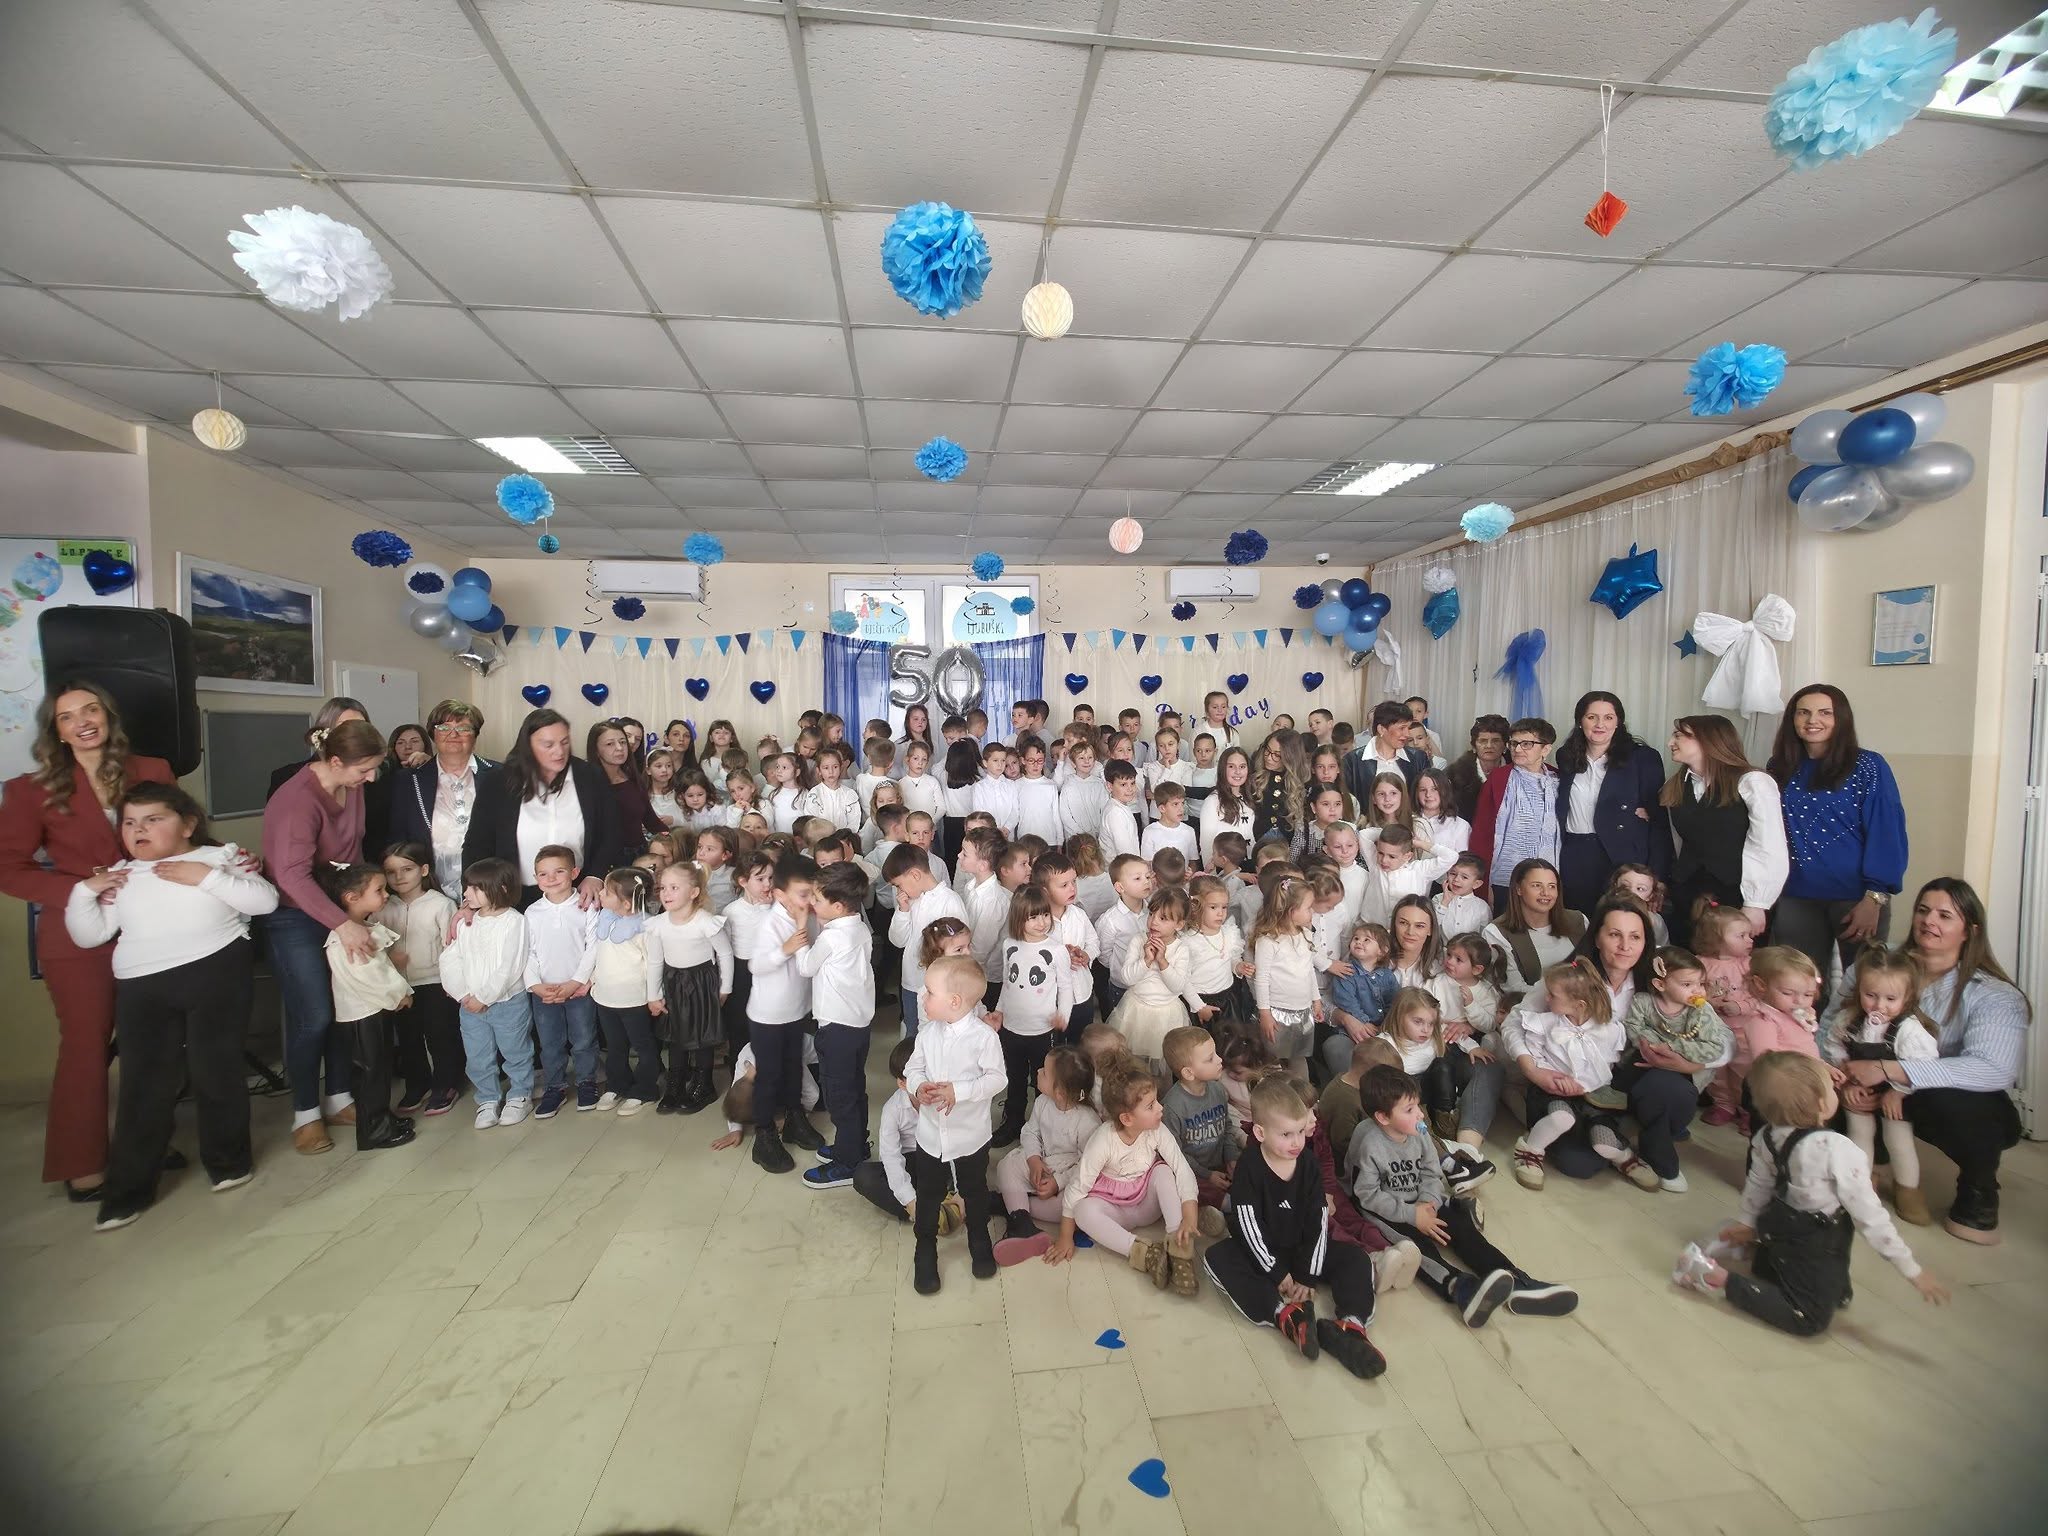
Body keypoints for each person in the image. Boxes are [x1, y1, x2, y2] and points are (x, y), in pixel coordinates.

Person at [64, 783, 275, 1230]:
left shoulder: (220, 858)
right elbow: (89, 935)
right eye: (129, 822)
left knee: (215, 1069)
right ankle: (127, 1192)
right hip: (142, 985)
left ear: (187, 824)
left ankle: (229, 1162)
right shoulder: (122, 875)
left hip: (216, 971)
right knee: (143, 1085)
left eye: (153, 819)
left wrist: (206, 876)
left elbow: (264, 901)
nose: (138, 830)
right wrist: (84, 892)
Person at [0, 680, 175, 1197]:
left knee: (152, 1041)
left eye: (91, 710)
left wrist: (225, 862)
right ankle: (81, 1163)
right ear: (56, 731)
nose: (82, 722)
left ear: (108, 715)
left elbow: (184, 835)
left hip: (152, 923)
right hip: (78, 936)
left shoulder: (153, 770)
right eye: (67, 716)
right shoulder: (30, 789)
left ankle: (146, 1142)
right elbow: (8, 867)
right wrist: (79, 890)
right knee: (86, 1046)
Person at [1674, 1052, 1948, 1335]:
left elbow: (1759, 1183)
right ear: (1821, 1103)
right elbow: (1871, 1217)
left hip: (1780, 1226)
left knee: (1833, 1289)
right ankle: (1718, 1278)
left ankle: (1758, 1255)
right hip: (1813, 1241)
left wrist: (1748, 1222)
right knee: (1808, 1319)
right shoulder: (1838, 1150)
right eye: (1830, 1086)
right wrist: (1911, 1269)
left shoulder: (1766, 1136)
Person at [1831, 878, 2029, 1244]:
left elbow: (1993, 1068)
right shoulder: (1878, 962)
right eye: (1923, 910)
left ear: (1970, 931)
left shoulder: (1994, 994)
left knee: (1964, 1104)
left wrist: (1891, 1071)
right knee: (1793, 1076)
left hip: (1932, 1097)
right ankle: (1848, 1168)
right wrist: (1842, 1075)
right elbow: (1832, 1021)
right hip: (1858, 1076)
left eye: (1944, 915)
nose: (1929, 921)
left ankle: (1979, 1187)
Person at [1349, 1064, 1578, 1324]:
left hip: (1420, 1200)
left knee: (1462, 1229)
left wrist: (1429, 1203)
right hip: (1384, 1209)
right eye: (1409, 1110)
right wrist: (1412, 1215)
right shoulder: (1369, 1143)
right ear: (1383, 1117)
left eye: (1418, 1105)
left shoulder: (1418, 1131)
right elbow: (1366, 1195)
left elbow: (1431, 1171)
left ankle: (1514, 1279)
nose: (1420, 1114)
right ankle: (1462, 1289)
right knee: (1417, 1248)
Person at [261, 718, 390, 1155]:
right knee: (313, 1015)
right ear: (335, 762)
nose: (370, 778)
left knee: (343, 1006)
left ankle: (338, 1097)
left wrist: (358, 908)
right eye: (364, 769)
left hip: (337, 910)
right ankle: (305, 1114)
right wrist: (342, 922)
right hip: (294, 916)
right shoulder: (295, 800)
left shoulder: (352, 787)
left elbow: (351, 854)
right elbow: (291, 876)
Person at [1204, 1072, 1386, 1378]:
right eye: (1286, 1134)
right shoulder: (1249, 1166)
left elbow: (1318, 1220)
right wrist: (1276, 1272)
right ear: (1260, 1132)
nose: (1297, 1142)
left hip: (1303, 1249)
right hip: (1264, 1251)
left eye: (1301, 1132)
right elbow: (1248, 1226)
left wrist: (1306, 1276)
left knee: (1356, 1258)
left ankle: (1350, 1326)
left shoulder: (1308, 1164)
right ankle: (1286, 1315)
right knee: (1217, 1257)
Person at [1766, 685, 1909, 979]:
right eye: (1803, 712)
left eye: (1824, 713)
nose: (1812, 720)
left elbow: (1886, 831)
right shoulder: (1780, 766)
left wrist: (1875, 898)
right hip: (1796, 895)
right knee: (1797, 986)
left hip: (1856, 897)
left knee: (1864, 985)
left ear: (1840, 718)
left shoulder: (1868, 765)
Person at [1052, 1054, 1202, 1295]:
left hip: (1147, 1204)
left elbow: (1181, 1168)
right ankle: (1145, 1254)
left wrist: (1189, 1213)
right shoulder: (1103, 1140)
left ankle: (1179, 1248)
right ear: (1127, 1118)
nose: (1160, 1108)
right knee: (1083, 1211)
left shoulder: (1157, 1130)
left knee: (1164, 1171)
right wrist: (1065, 1236)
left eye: (1156, 1101)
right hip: (1115, 1210)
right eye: (1151, 1106)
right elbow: (1078, 1187)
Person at [904, 953, 1005, 1294]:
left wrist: (958, 1091)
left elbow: (997, 1079)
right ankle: (925, 1247)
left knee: (974, 1189)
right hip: (931, 1135)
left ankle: (978, 1236)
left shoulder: (984, 1038)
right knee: (928, 1193)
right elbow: (913, 1068)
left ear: (954, 1001)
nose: (923, 996)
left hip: (970, 1136)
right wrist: (919, 1085)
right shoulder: (927, 1034)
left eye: (930, 992)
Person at [1823, 946, 1939, 1226]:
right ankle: (1861, 1185)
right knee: (1859, 1134)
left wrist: (1898, 1092)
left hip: (1896, 1093)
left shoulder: (1909, 1030)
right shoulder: (1848, 1020)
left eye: (1890, 999)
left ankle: (1908, 1189)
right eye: (1871, 995)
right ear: (1859, 990)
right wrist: (1848, 1082)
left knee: (1898, 1139)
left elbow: (1926, 1065)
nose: (1879, 1006)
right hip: (1859, 1088)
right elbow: (1834, 1048)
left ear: (1907, 997)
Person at [464, 709, 625, 909]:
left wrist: (595, 875)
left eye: (564, 742)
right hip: (513, 896)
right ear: (527, 746)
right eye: (548, 745)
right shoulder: (499, 782)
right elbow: (477, 845)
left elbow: (611, 832)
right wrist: (471, 900)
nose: (559, 752)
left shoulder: (590, 776)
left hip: (578, 894)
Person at [1661, 714, 1787, 949]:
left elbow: (1768, 845)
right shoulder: (1675, 786)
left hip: (1738, 896)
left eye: (1678, 736)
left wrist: (1757, 902)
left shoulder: (1752, 782)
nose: (1670, 742)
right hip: (1688, 895)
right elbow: (1679, 842)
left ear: (1707, 740)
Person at [315, 862, 416, 1150]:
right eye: (379, 890)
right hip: (362, 1016)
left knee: (380, 1070)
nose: (386, 894)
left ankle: (382, 1119)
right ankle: (374, 1131)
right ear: (352, 897)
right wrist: (399, 994)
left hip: (374, 1011)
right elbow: (368, 977)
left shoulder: (362, 929)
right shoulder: (346, 940)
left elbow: (376, 966)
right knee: (371, 1074)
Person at [1552, 692, 1671, 917]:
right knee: (1579, 920)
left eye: (1608, 717)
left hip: (1623, 856)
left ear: (1618, 722)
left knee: (1621, 921)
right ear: (1580, 721)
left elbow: (1659, 821)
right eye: (1592, 717)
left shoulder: (1643, 758)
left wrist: (1658, 875)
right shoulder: (1566, 756)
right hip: (1575, 853)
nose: (1600, 724)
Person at [441, 857, 534, 1129]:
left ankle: (520, 1095)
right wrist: (463, 995)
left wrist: (484, 997)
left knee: (515, 1050)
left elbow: (510, 966)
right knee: (478, 1055)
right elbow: (450, 959)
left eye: (475, 888)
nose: (466, 893)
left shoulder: (514, 922)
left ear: (501, 888)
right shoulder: (465, 922)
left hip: (507, 1003)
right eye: (466, 887)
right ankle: (488, 1099)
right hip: (469, 1005)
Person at [746, 853, 822, 1172]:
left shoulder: (807, 916)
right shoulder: (771, 923)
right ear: (779, 894)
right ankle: (763, 1136)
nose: (811, 901)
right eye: (804, 894)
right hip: (768, 1016)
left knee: (793, 1068)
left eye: (814, 894)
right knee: (769, 1076)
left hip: (795, 1010)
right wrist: (785, 949)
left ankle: (794, 1119)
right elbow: (756, 965)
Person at [376, 842, 464, 1115]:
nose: (399, 877)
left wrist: (453, 982)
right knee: (408, 1038)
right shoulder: (382, 907)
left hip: (436, 982)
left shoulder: (441, 904)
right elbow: (375, 945)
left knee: (440, 1035)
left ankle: (446, 1083)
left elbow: (453, 946)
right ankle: (417, 1083)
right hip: (400, 986)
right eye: (391, 872)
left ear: (424, 870)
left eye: (407, 869)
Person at [993, 1046, 1102, 1264]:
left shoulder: (1087, 1120)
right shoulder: (1043, 1102)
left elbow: (1087, 1166)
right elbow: (1030, 1131)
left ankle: (1012, 1207)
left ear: (1060, 1092)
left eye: (1044, 1072)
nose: (1038, 1071)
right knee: (1006, 1165)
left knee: (1074, 1207)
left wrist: (1057, 1183)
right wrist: (1033, 1160)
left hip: (1069, 1176)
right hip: (1043, 1162)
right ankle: (1023, 1225)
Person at [523, 845, 602, 1118]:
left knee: (583, 1038)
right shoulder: (532, 912)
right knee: (550, 1043)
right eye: (543, 874)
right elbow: (528, 952)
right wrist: (536, 986)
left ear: (575, 873)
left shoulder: (586, 906)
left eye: (559, 871)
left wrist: (576, 982)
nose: (551, 878)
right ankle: (554, 1087)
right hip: (545, 992)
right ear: (535, 877)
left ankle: (587, 1081)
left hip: (579, 990)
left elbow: (593, 946)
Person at [589, 866, 661, 1116]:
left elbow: (653, 964)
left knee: (642, 1045)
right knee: (615, 1045)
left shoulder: (647, 927)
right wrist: (592, 981)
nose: (600, 893)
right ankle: (617, 1084)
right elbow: (599, 954)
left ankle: (645, 1089)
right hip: (605, 997)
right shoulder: (604, 916)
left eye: (607, 892)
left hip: (634, 999)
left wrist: (654, 996)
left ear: (627, 903)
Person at [1471, 717, 1560, 908]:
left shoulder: (1558, 780)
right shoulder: (1499, 778)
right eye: (1514, 743)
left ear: (1545, 749)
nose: (1518, 749)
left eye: (1526, 744)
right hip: (1505, 877)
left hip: (1547, 879)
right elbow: (1482, 832)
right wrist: (1483, 881)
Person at [1161, 1024, 1241, 1229]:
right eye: (1210, 1058)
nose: (1220, 1060)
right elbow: (1174, 1154)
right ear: (1189, 1073)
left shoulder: (1217, 1090)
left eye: (1216, 1054)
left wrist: (1231, 1158)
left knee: (1250, 1166)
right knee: (1183, 1185)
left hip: (1219, 1164)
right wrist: (1207, 1175)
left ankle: (1229, 1204)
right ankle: (1217, 1208)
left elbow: (1227, 1127)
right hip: (1194, 1172)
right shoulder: (1173, 1106)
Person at [1481, 857, 1584, 1000]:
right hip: (1528, 1008)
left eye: (1552, 886)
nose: (1546, 893)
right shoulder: (1496, 933)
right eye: (1537, 885)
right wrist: (1563, 997)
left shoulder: (1579, 921)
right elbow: (1512, 988)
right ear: (1518, 889)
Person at [1342, 701, 1431, 806]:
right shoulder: (1352, 761)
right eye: (1402, 728)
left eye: (1408, 728)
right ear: (1381, 729)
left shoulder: (1418, 758)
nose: (1407, 734)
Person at [589, 720, 663, 843]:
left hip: (638, 850)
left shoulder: (633, 778)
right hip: (605, 853)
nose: (619, 748)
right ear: (596, 749)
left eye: (623, 742)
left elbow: (651, 820)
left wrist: (674, 840)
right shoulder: (588, 783)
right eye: (610, 744)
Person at [1197, 746, 1256, 868]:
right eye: (1231, 767)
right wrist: (1213, 875)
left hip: (1250, 865)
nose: (1238, 772)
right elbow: (1206, 844)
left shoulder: (1250, 798)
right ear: (1223, 769)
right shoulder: (1213, 801)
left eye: (1242, 767)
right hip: (1224, 869)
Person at [1445, 714, 1509, 824]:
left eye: (1495, 741)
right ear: (1474, 746)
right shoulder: (1454, 775)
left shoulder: (1517, 773)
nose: (1489, 746)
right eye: (1483, 741)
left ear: (1505, 746)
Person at [1249, 731, 1308, 846]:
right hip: (1258, 840)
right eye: (1267, 750)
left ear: (1290, 757)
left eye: (1277, 755)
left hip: (1287, 843)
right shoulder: (1255, 776)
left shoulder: (1298, 782)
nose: (1269, 758)